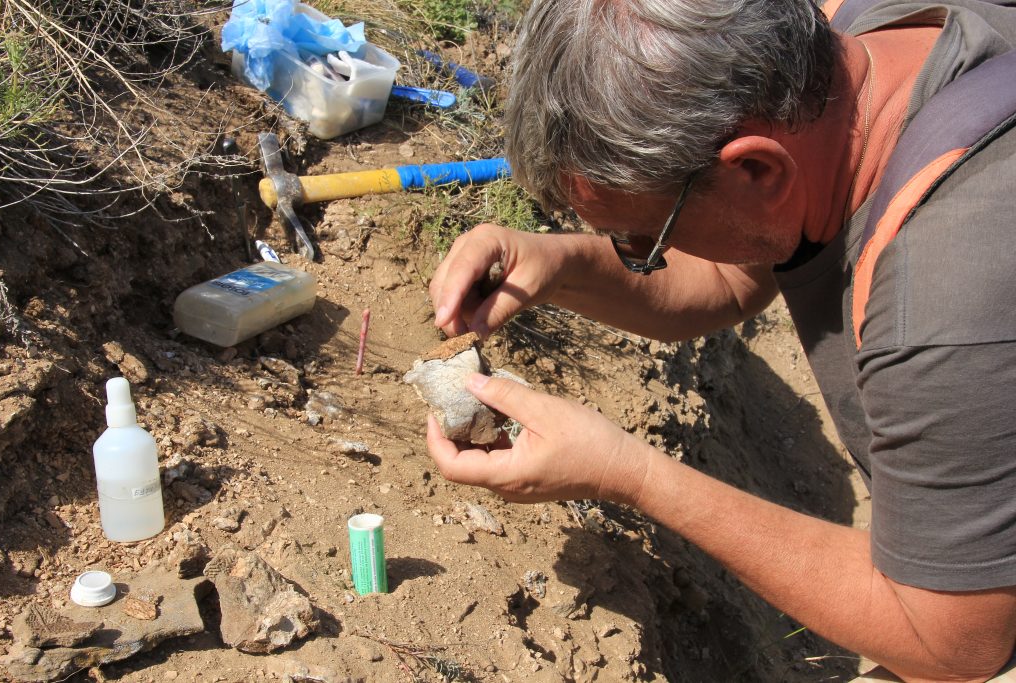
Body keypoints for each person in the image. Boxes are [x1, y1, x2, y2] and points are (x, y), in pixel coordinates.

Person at [423, 0, 1016, 679]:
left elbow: (951, 644)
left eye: (647, 240)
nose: (642, 255)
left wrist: (633, 475)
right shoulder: (832, 48)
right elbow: (734, 275)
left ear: (757, 170)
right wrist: (559, 264)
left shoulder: (942, 297)